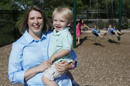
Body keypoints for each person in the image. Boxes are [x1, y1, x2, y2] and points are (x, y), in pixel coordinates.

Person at [8, 5, 77, 86]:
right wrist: (37, 69)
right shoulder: (19, 45)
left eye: (39, 18)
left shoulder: (54, 36)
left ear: (43, 20)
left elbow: (74, 60)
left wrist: (68, 66)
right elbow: (13, 77)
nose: (36, 22)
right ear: (27, 21)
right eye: (32, 18)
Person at [42, 7, 74, 86]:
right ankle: (73, 82)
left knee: (45, 78)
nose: (57, 23)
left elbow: (67, 49)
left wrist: (54, 56)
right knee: (66, 74)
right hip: (58, 62)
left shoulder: (65, 34)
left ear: (69, 23)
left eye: (62, 21)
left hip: (59, 63)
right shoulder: (55, 32)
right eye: (55, 20)